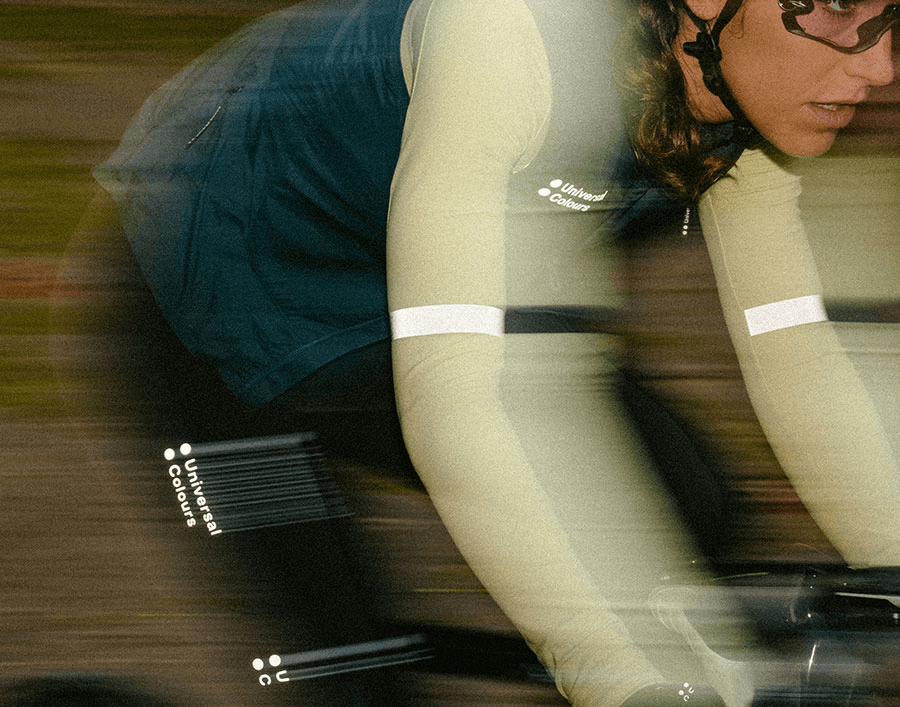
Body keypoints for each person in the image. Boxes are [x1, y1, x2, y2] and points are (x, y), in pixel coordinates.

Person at [81, 0, 898, 705]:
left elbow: (814, 342)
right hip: (208, 312)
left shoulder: (765, 77)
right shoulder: (524, 31)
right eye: (834, 6)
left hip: (444, 288)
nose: (880, 66)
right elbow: (476, 397)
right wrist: (631, 676)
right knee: (351, 673)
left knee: (686, 510)